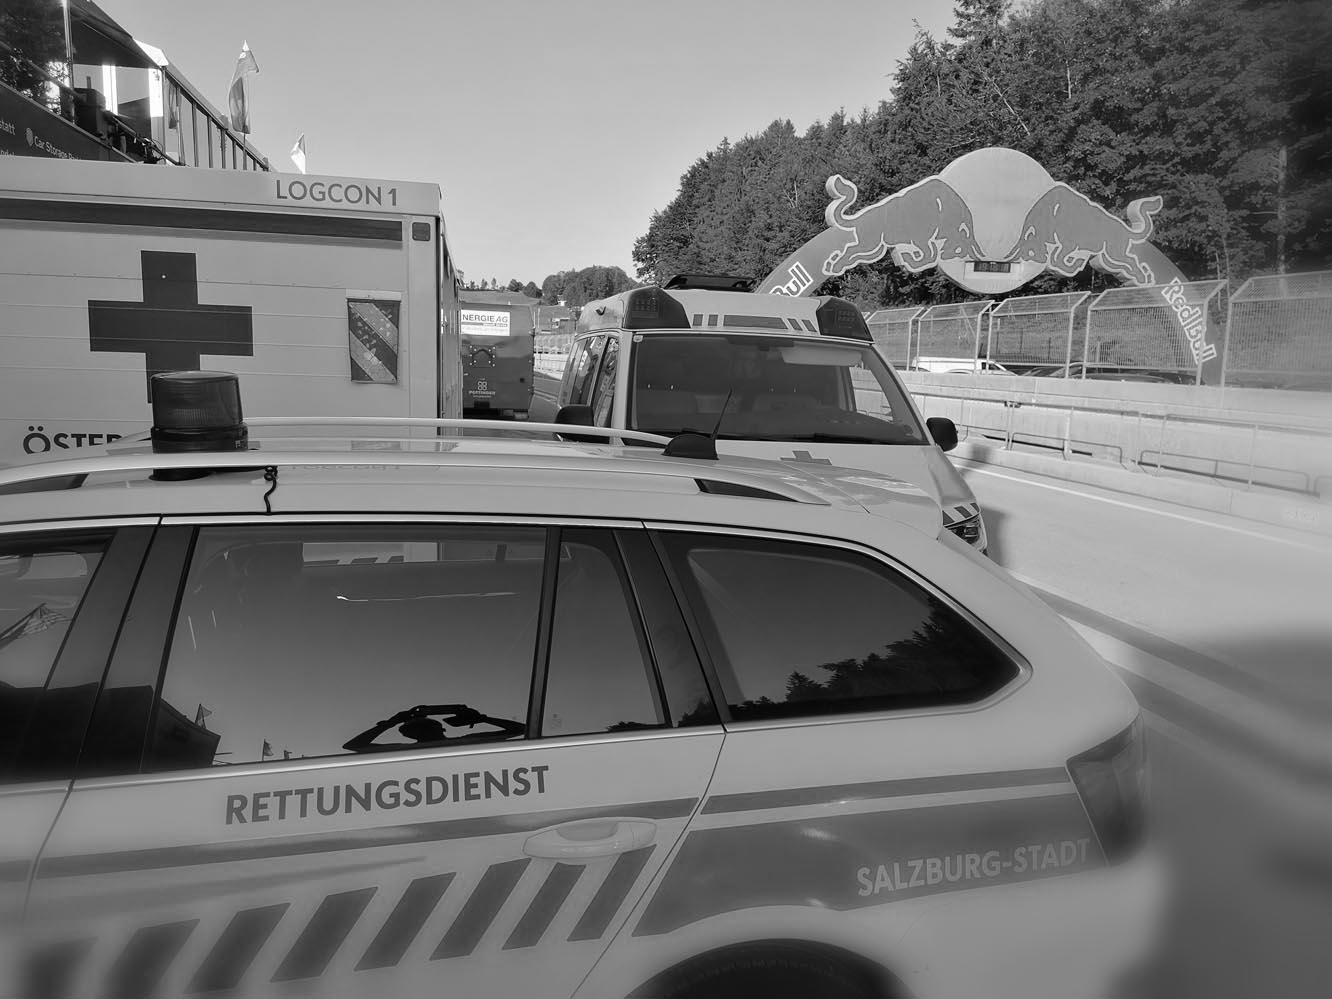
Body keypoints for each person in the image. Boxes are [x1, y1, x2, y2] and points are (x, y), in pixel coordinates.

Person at [343, 703, 522, 752]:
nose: (423, 729)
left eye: (426, 725)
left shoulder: (466, 742)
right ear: (409, 734)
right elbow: (353, 746)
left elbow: (522, 730)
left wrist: (482, 718)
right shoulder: (401, 750)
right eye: (417, 727)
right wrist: (389, 723)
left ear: (441, 728)